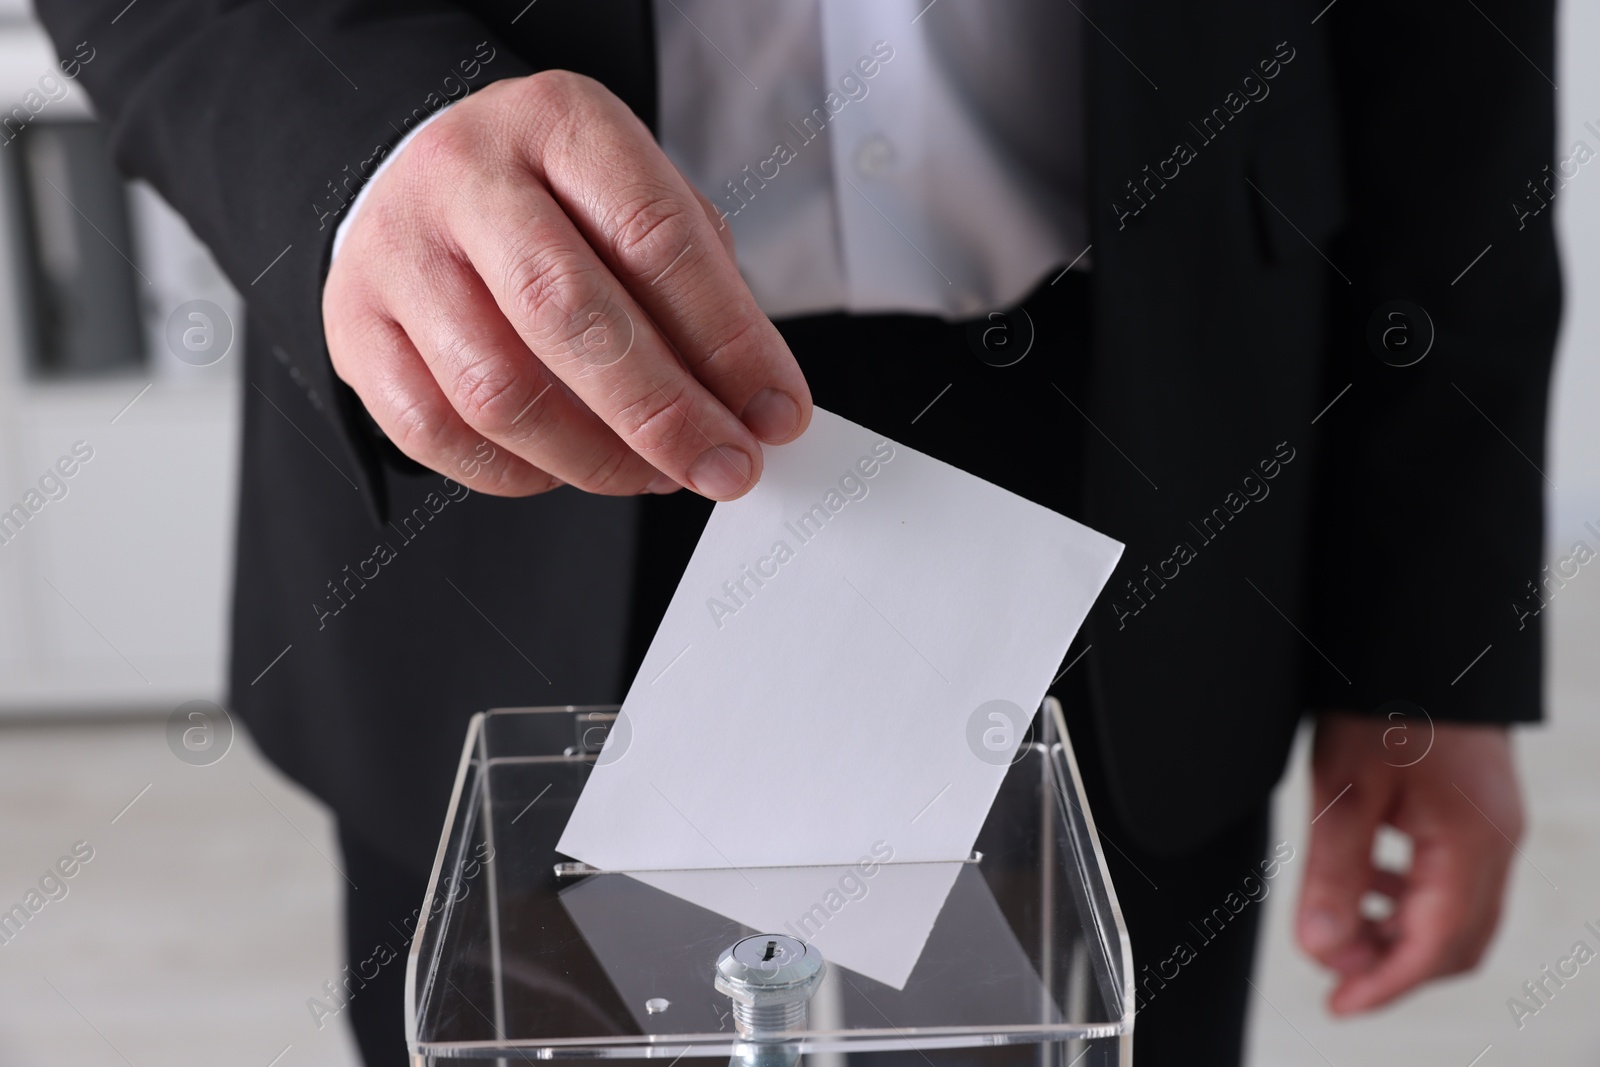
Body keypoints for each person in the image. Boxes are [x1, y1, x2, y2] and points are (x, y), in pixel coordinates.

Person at [35, 1, 1557, 1064]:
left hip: (1137, 465)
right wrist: (354, 140)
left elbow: (1455, 59)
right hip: (528, 438)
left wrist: (1431, 639)